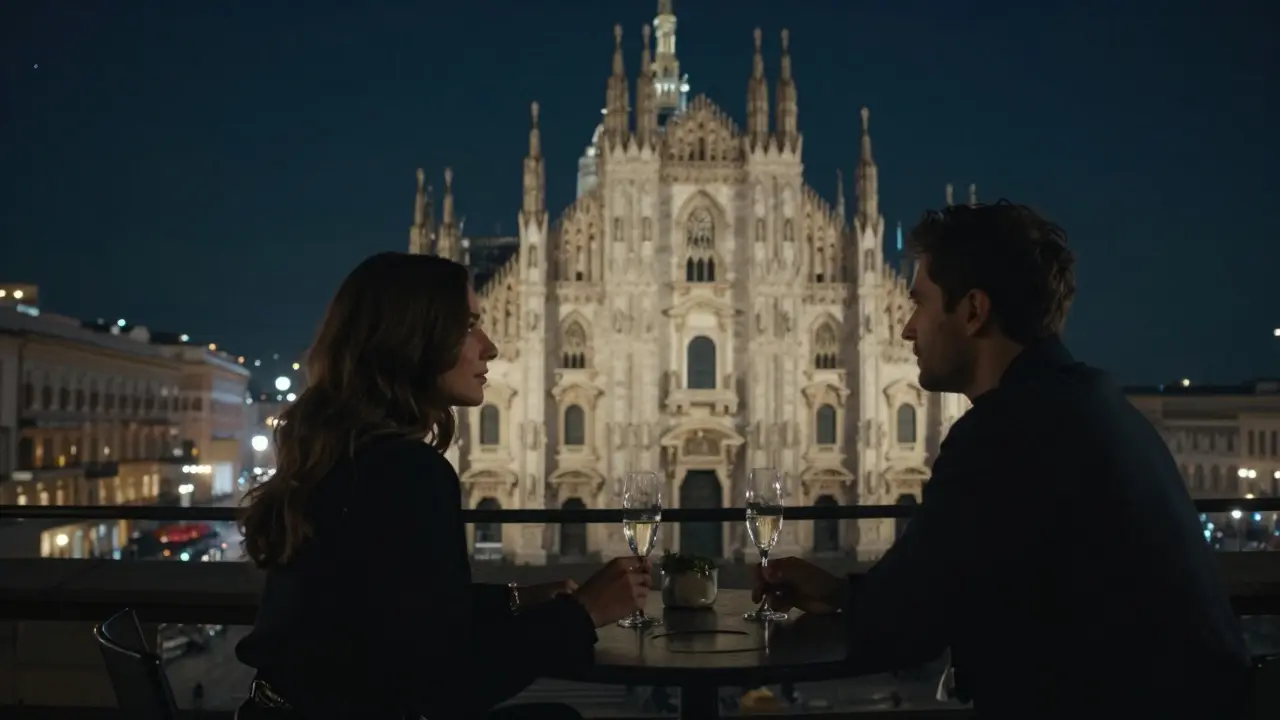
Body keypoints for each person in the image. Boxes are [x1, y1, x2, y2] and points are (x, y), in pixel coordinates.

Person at [753, 202, 1252, 717]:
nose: (905, 329)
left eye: (919, 304)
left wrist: (845, 600)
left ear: (973, 311)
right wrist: (841, 591)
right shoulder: (1099, 405)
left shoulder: (1004, 434)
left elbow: (905, 624)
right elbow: (929, 589)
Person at [234, 253, 652, 720]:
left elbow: (402, 613)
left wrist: (517, 599)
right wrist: (584, 614)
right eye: (469, 325)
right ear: (414, 341)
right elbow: (445, 684)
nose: (489, 347)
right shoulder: (405, 472)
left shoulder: (345, 454)